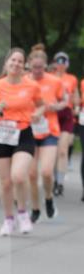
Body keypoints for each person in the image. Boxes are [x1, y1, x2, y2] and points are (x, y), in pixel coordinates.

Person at [0, 48, 43, 235]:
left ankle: (22, 213)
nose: (16, 64)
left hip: (23, 133)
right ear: (6, 63)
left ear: (24, 66)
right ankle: (8, 219)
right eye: (13, 60)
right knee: (5, 182)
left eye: (20, 61)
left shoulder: (31, 86)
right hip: (1, 135)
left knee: (19, 176)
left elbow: (42, 105)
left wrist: (38, 114)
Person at [26, 45, 67, 222]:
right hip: (29, 130)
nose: (37, 71)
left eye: (40, 68)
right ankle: (35, 208)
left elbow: (65, 100)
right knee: (32, 174)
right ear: (29, 65)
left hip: (50, 130)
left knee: (47, 172)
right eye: (34, 67)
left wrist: (56, 106)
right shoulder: (24, 81)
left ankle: (48, 198)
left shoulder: (54, 81)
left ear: (46, 66)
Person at [51, 52, 79, 196]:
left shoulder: (72, 78)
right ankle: (54, 178)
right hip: (53, 114)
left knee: (62, 150)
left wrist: (77, 107)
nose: (61, 65)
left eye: (64, 62)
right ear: (55, 63)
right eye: (58, 62)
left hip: (66, 114)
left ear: (67, 64)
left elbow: (75, 96)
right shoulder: (50, 77)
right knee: (54, 151)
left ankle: (60, 183)